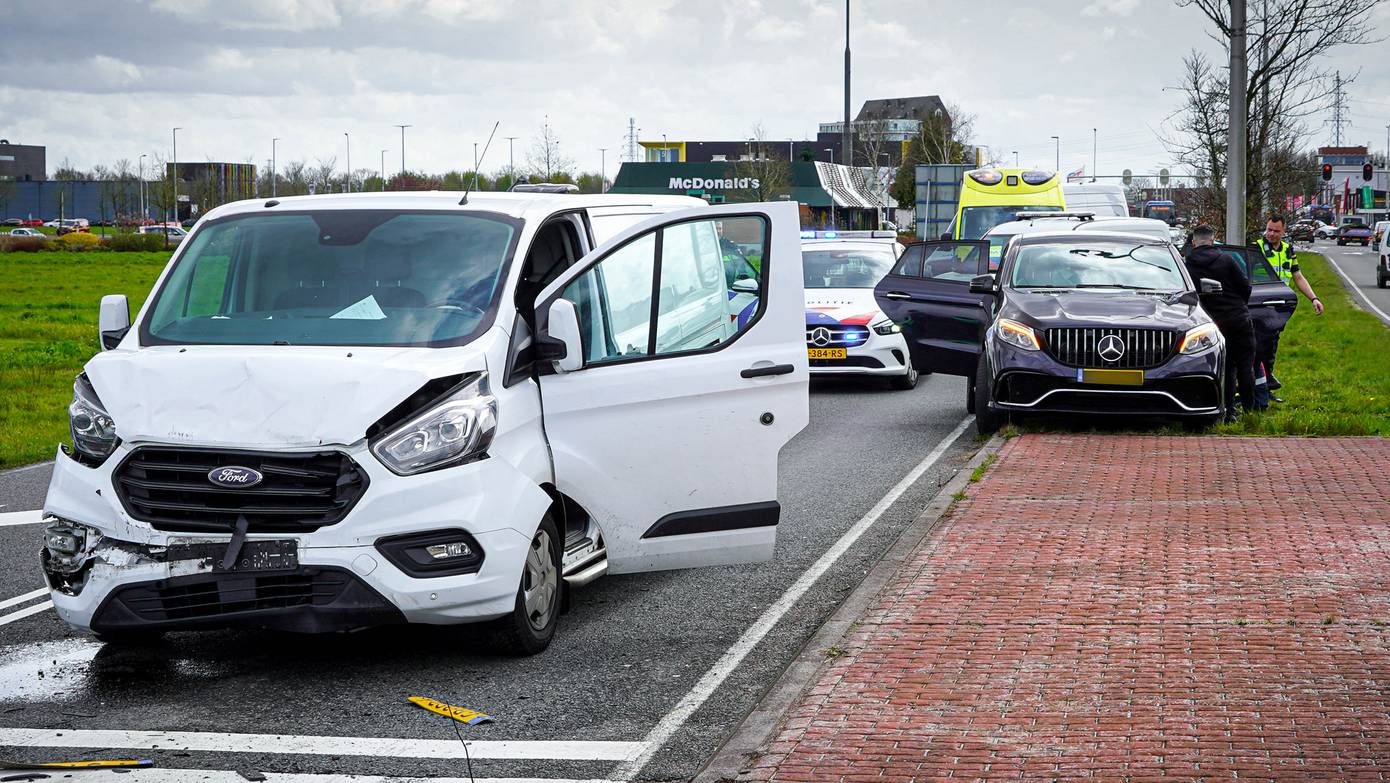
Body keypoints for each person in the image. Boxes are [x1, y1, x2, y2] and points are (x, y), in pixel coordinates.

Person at [1184, 224, 1257, 422]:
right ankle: (1250, 413)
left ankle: (1228, 411)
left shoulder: (1186, 265)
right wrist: (1238, 305)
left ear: (1193, 242)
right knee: (1244, 365)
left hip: (1210, 323)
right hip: (1237, 318)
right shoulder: (1227, 260)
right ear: (1213, 240)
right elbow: (1245, 288)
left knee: (1224, 367)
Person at [1252, 214, 1323, 401]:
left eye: (1276, 231)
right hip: (1259, 305)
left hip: (1279, 307)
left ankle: (1266, 387)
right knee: (1260, 347)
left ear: (1284, 231)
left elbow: (1298, 277)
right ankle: (1259, 389)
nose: (1271, 234)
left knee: (1271, 347)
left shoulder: (1287, 250)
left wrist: (1314, 298)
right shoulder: (1256, 248)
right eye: (1269, 229)